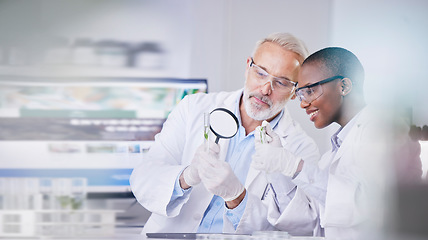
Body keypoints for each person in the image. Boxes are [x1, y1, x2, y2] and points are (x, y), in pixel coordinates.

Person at [130, 32, 321, 235]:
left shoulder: (301, 148)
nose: (266, 89)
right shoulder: (193, 108)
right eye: (261, 73)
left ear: (295, 92)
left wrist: (237, 198)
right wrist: (186, 177)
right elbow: (143, 177)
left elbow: (300, 228)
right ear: (248, 66)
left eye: (281, 82)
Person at [290, 47, 412, 239]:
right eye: (300, 94)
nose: (303, 103)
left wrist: (295, 167)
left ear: (344, 87)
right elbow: (315, 218)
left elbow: (375, 202)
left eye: (310, 91)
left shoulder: (380, 130)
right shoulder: (333, 152)